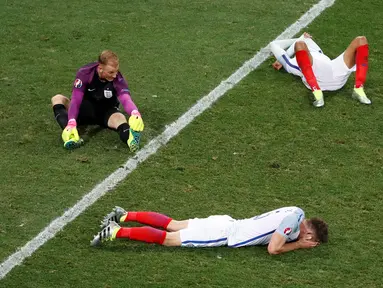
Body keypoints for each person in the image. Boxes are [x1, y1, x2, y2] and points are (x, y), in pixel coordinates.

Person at [91, 206, 328, 254]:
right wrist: (297, 245)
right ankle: (116, 230)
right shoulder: (294, 226)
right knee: (169, 239)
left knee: (173, 223)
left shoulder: (297, 211)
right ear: (309, 235)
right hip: (225, 233)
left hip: (226, 221)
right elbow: (273, 248)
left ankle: (123, 214)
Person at [51, 50, 144, 151]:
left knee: (120, 119)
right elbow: (76, 99)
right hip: (84, 110)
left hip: (106, 113)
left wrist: (135, 112)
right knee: (57, 99)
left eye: (116, 71)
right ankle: (71, 135)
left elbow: (125, 99)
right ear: (100, 69)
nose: (114, 75)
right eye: (111, 72)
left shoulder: (118, 79)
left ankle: (131, 139)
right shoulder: (85, 73)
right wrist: (71, 121)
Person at [270, 33, 371, 107]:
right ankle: (317, 91)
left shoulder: (294, 60)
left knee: (361, 40)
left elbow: (274, 45)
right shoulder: (303, 53)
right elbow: (299, 43)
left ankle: (358, 89)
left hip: (332, 70)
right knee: (300, 44)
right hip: (324, 78)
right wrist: (299, 39)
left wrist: (298, 41)